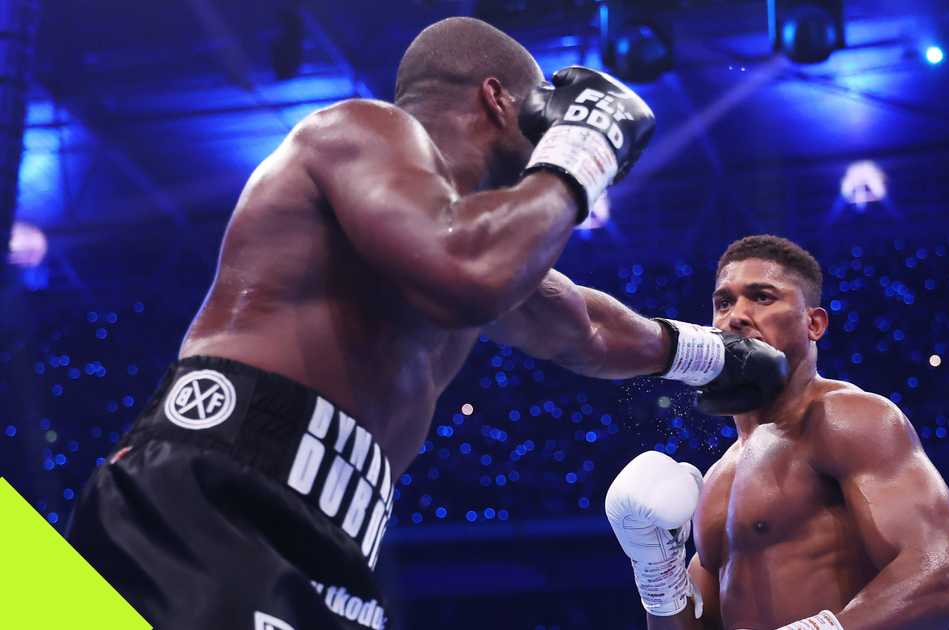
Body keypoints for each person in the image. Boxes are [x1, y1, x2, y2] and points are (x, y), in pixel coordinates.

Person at [65, 17, 787, 630]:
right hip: (212, 497)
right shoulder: (359, 130)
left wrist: (718, 358)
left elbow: (586, 331)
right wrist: (587, 146)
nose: (550, 136)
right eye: (545, 118)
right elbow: (468, 273)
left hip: (330, 536)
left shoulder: (476, 240)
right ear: (499, 101)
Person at [605, 235, 949, 630]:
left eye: (762, 297)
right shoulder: (716, 480)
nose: (737, 317)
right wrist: (657, 575)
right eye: (723, 303)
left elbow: (943, 579)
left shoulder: (848, 418)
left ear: (813, 324)